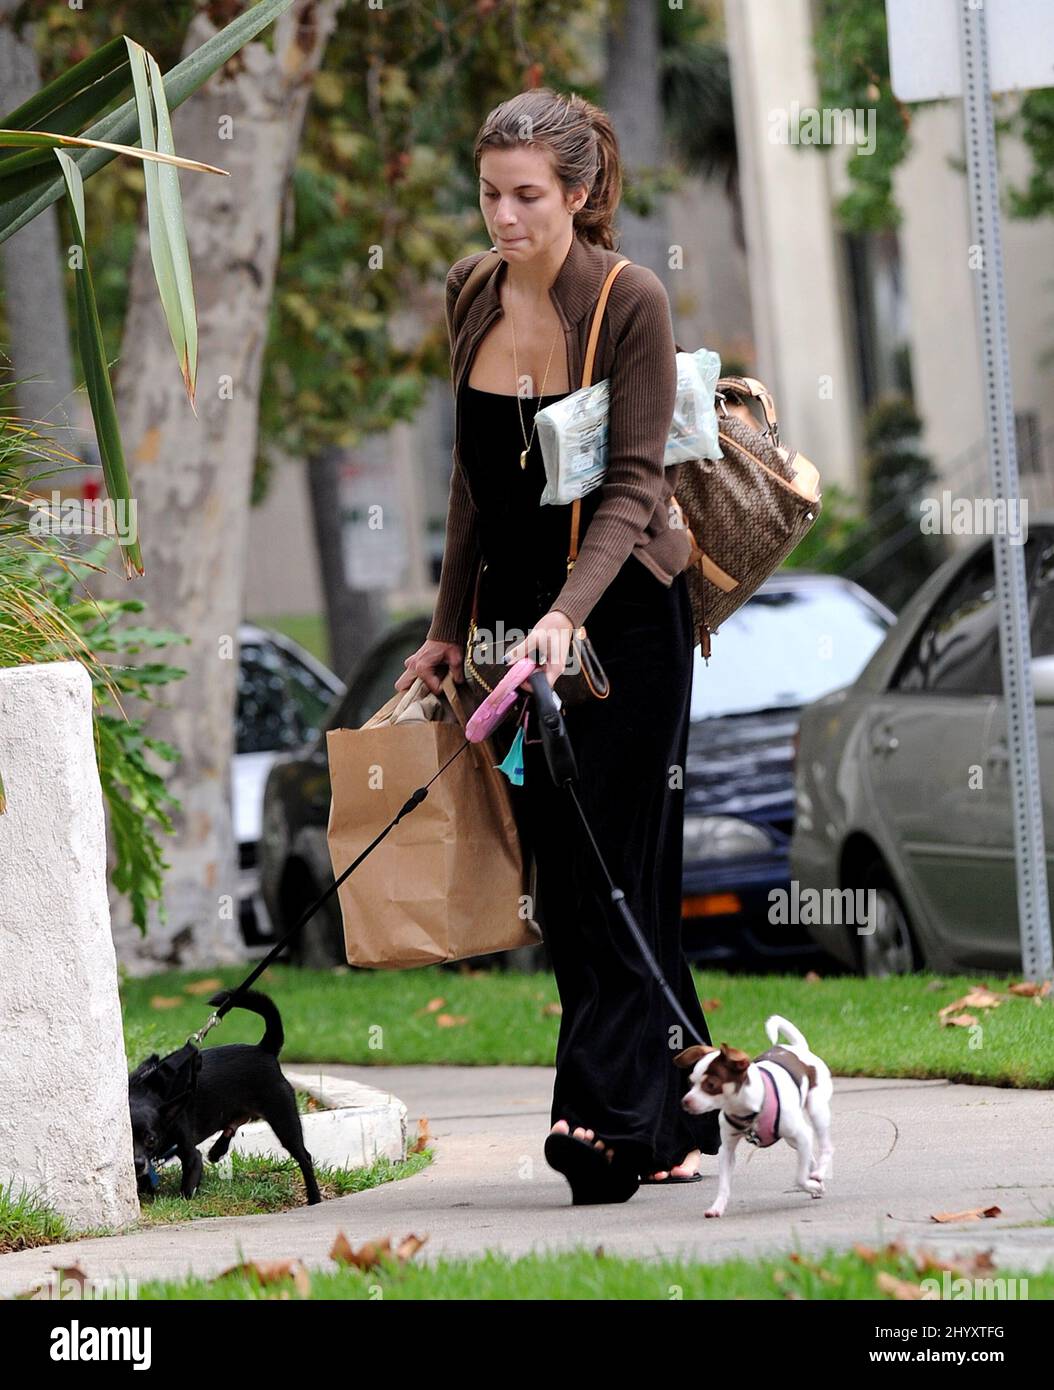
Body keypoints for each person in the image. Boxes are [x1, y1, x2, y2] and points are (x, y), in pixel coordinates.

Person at [395, 88, 719, 1203]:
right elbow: (471, 479)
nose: (503, 217)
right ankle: (690, 1107)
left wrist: (567, 614)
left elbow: (633, 485)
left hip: (621, 620)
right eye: (489, 193)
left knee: (608, 873)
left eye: (527, 196)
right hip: (518, 633)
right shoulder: (471, 293)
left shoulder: (628, 301)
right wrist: (448, 631)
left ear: (578, 196)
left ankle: (597, 1123)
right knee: (584, 875)